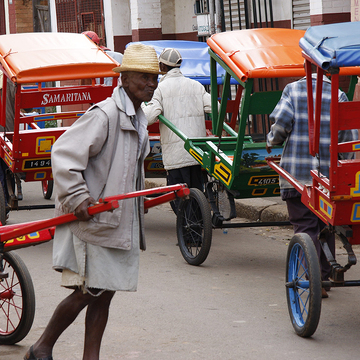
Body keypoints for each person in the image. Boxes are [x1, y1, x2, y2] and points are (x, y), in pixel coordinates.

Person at [24, 43, 161, 360]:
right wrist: (77, 197)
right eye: (144, 76)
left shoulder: (138, 117)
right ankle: (41, 347)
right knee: (90, 291)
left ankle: (89, 357)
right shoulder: (106, 115)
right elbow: (64, 154)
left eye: (155, 78)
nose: (152, 84)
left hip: (116, 220)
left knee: (104, 294)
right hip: (94, 219)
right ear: (124, 78)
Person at [266, 64, 358, 298]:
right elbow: (348, 138)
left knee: (305, 226)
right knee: (325, 226)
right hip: (329, 179)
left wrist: (272, 140)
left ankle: (314, 279)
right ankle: (325, 275)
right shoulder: (338, 94)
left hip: (297, 175)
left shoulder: (293, 90)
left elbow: (280, 126)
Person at [142, 48, 211, 213]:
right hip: (197, 153)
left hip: (176, 156)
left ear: (162, 67)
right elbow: (215, 108)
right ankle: (197, 228)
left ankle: (188, 234)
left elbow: (149, 117)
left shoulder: (159, 89)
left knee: (178, 197)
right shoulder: (196, 86)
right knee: (197, 192)